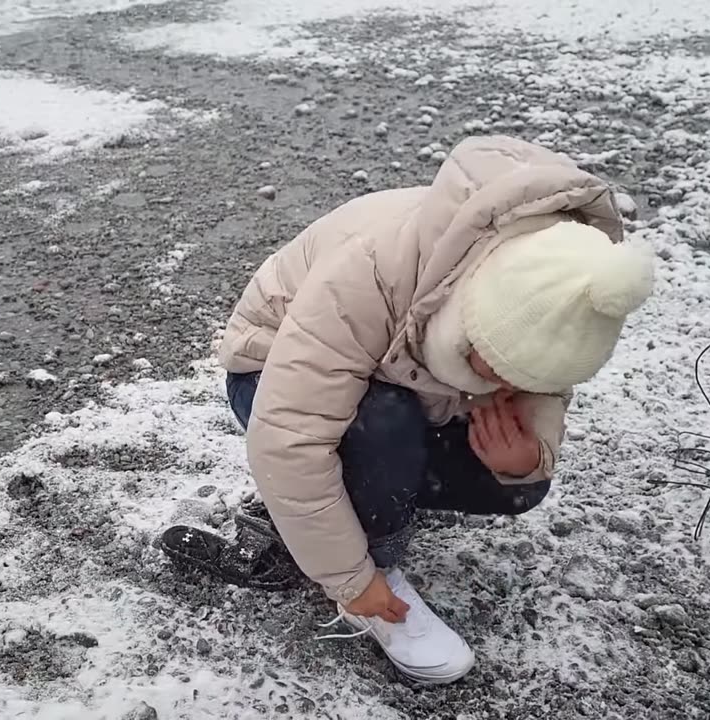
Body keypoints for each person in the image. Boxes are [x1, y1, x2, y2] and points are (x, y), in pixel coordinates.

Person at [212, 135, 655, 683]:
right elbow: (287, 437)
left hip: (404, 385)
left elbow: (540, 392)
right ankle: (379, 559)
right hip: (268, 373)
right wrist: (353, 580)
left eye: (527, 377)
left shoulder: (559, 280)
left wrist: (521, 458)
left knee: (518, 482)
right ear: (470, 315)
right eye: (498, 368)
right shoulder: (371, 271)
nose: (509, 387)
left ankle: (364, 492)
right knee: (385, 422)